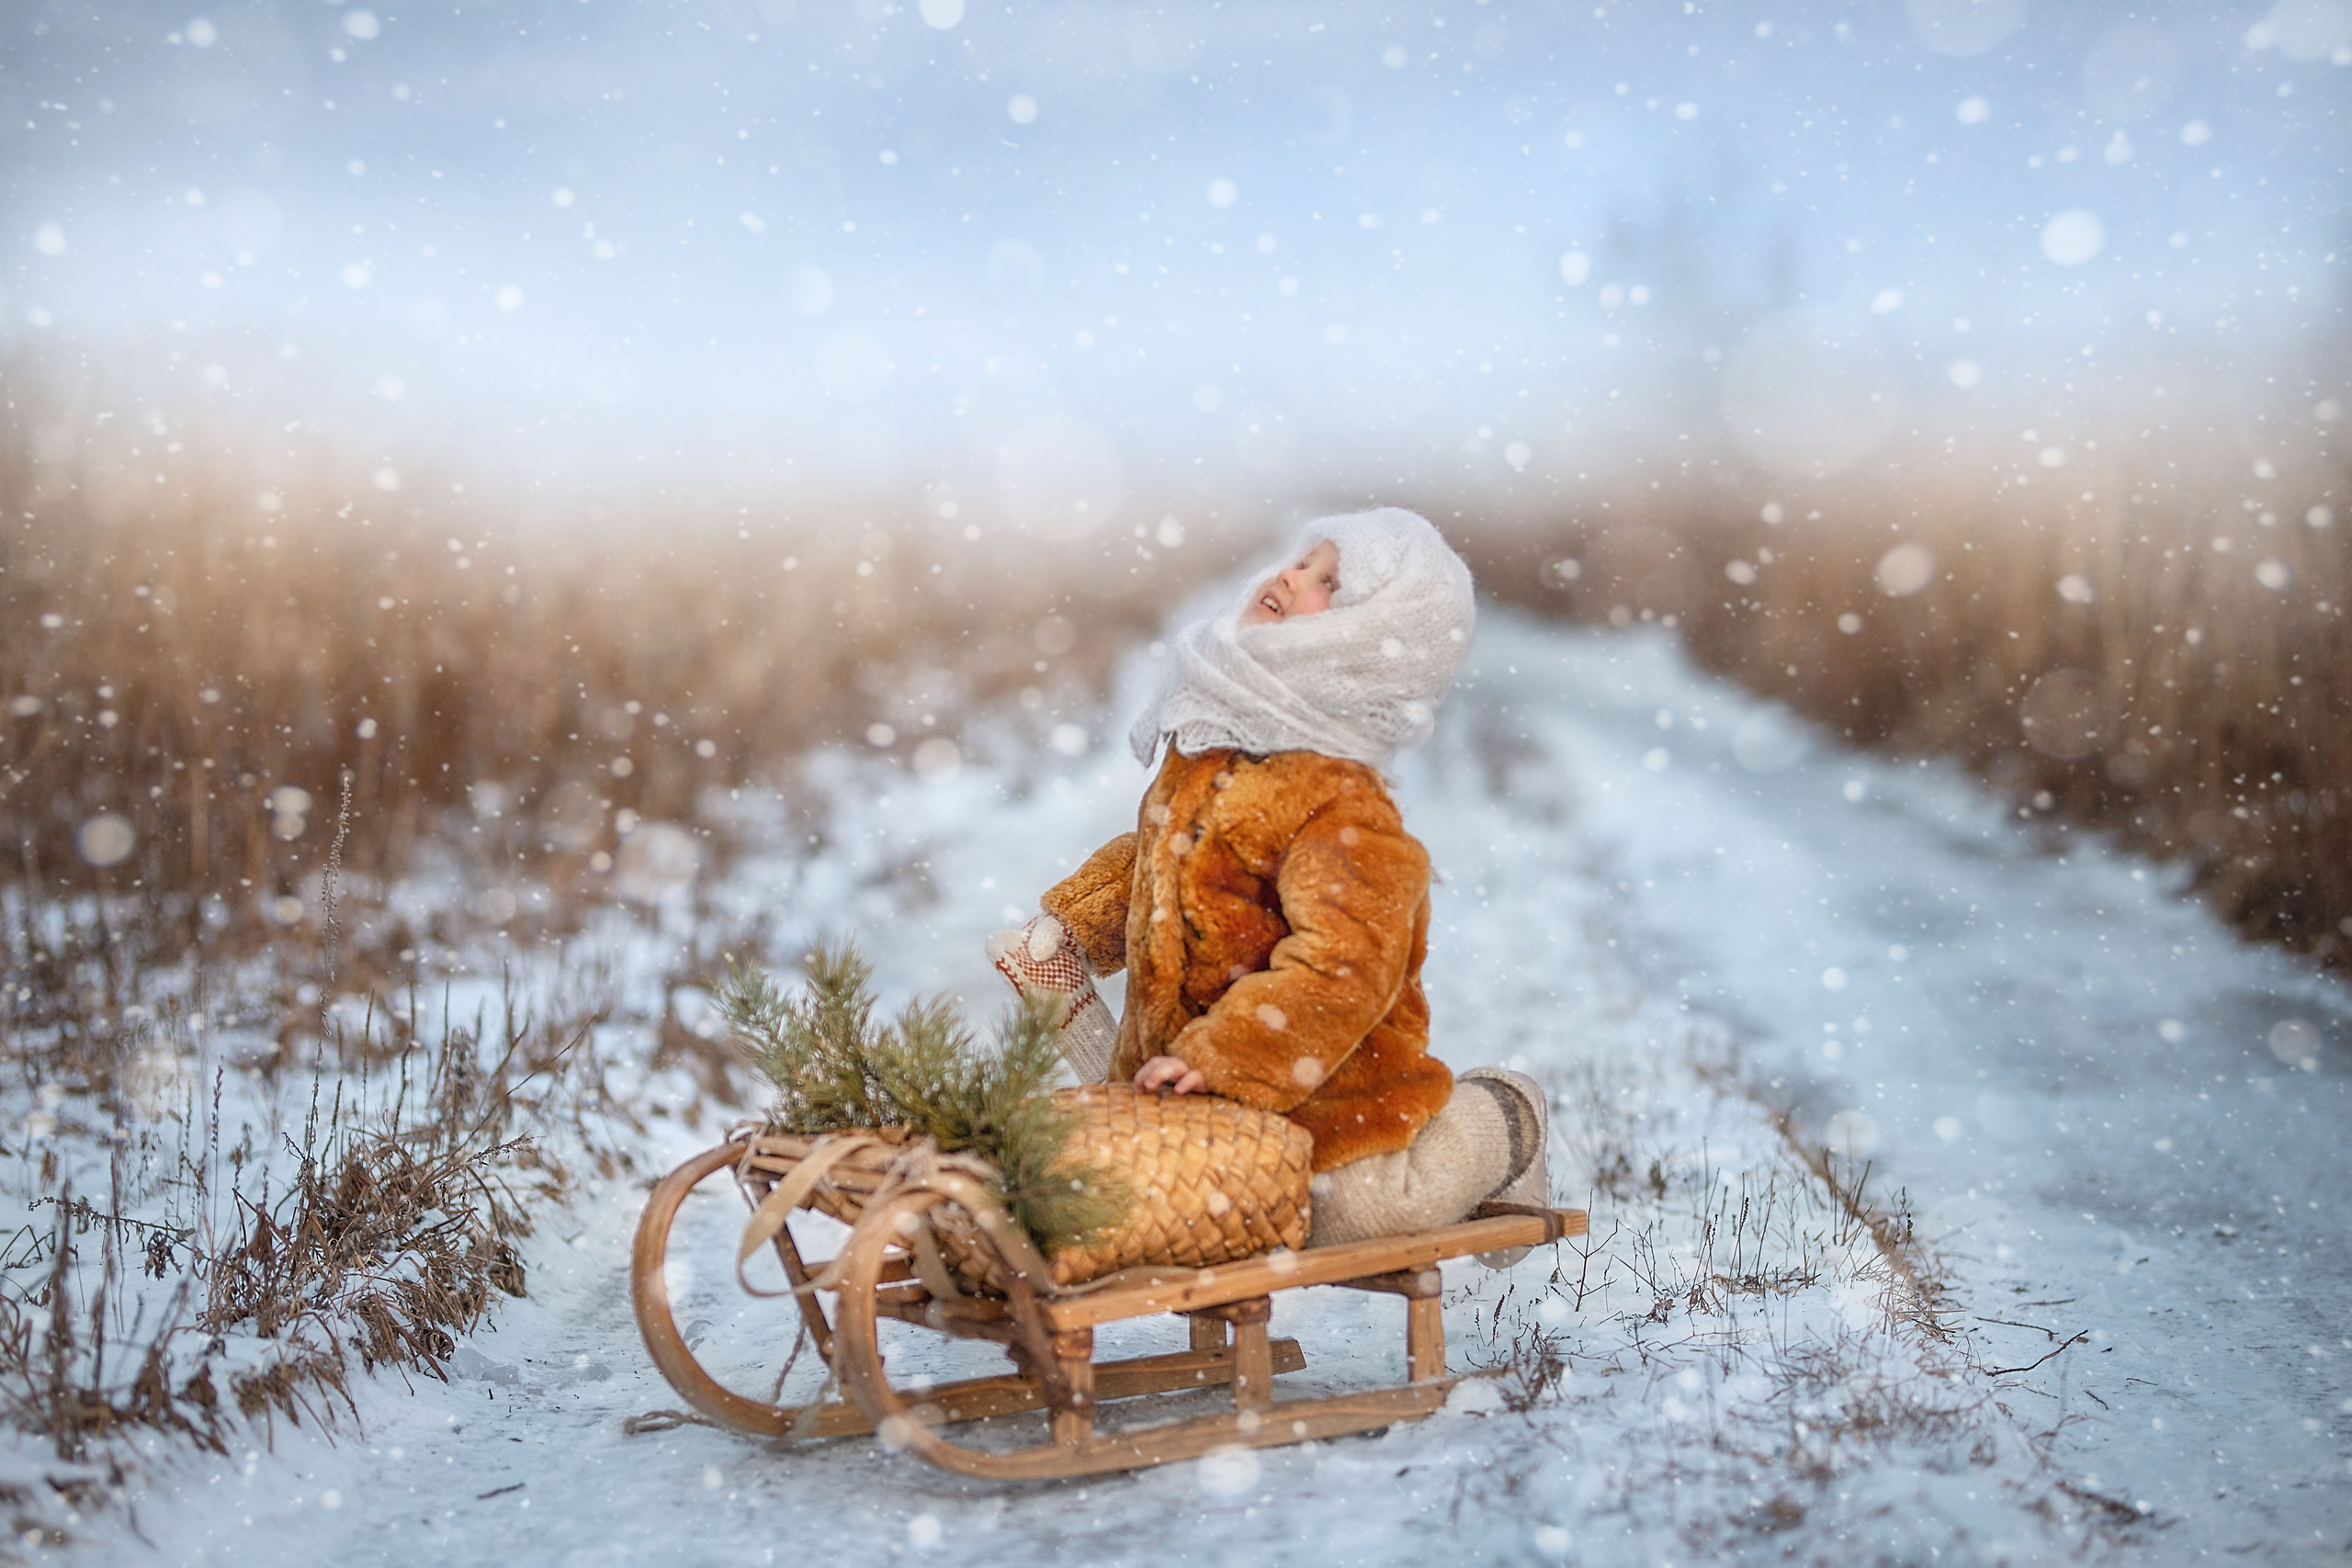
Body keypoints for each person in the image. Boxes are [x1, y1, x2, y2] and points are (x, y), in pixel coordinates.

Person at [988, 508, 1549, 1258]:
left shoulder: (1342, 804)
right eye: (1301, 561)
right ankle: (1108, 1047)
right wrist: (1077, 921)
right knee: (1153, 1184)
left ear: (1361, 649)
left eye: (1330, 584)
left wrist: (1225, 1058)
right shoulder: (1211, 745)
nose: (1291, 576)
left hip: (1326, 1108)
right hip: (1194, 1080)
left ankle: (1505, 1117)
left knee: (1354, 1216)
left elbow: (1344, 964)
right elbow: (1162, 858)